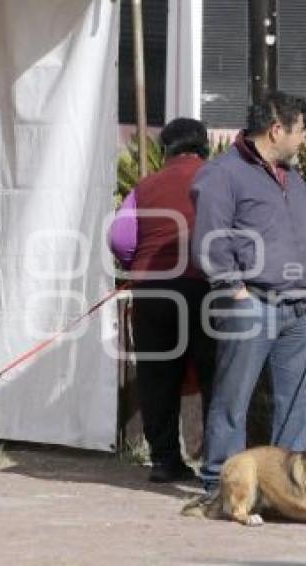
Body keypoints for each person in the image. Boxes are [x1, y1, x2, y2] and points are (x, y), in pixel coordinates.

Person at [190, 91, 306, 493]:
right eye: (300, 131)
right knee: (232, 400)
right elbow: (210, 237)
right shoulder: (221, 174)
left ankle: (284, 486)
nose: (303, 139)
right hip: (251, 304)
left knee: (295, 403)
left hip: (299, 308)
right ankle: (221, 483)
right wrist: (234, 290)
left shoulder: (290, 175)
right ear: (277, 130)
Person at [108, 118, 215, 483]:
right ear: (204, 145)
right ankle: (217, 463)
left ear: (166, 148)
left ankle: (165, 461)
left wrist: (134, 264)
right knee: (215, 375)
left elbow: (120, 239)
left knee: (157, 378)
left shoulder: (145, 185)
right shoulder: (217, 177)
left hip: (151, 291)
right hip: (205, 288)